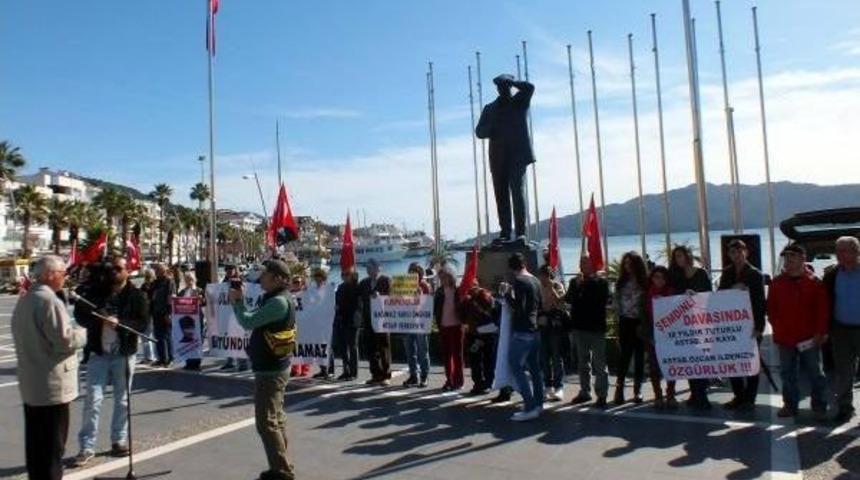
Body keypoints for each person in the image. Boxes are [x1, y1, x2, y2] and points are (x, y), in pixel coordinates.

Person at [12, 255, 87, 480]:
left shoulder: (25, 299)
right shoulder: (49, 301)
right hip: (52, 385)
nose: (65, 278)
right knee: (53, 448)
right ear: (50, 275)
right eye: (63, 273)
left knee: (36, 446)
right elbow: (65, 341)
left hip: (31, 382)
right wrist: (83, 333)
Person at [73, 256, 149, 467]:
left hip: (124, 354)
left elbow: (142, 323)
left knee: (123, 400)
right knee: (93, 400)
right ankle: (86, 446)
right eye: (111, 268)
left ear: (128, 271)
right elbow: (80, 315)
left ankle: (119, 440)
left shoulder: (136, 295)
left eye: (118, 268)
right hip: (99, 353)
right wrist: (97, 318)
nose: (114, 272)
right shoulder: (97, 291)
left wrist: (120, 322)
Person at [229, 259, 297, 480]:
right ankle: (281, 465)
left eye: (265, 275)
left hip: (271, 370)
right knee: (276, 419)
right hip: (273, 367)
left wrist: (237, 302)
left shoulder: (278, 302)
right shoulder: (277, 298)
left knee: (266, 423)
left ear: (277, 278)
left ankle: (282, 471)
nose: (261, 279)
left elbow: (248, 321)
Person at [768, 244, 830, 420]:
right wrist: (777, 326)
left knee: (815, 373)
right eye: (786, 257)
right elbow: (771, 309)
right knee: (787, 373)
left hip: (809, 337)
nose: (788, 260)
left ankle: (819, 406)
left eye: (792, 256)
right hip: (785, 337)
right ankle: (790, 405)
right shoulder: (777, 283)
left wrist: (821, 332)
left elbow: (822, 310)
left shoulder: (815, 282)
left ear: (803, 258)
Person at [475, 74, 535, 245]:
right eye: (501, 87)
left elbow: (530, 88)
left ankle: (521, 233)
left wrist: (514, 82)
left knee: (517, 193)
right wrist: (492, 127)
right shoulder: (489, 108)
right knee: (501, 195)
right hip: (498, 158)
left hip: (517, 156)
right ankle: (505, 232)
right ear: (497, 89)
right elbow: (479, 132)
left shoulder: (519, 102)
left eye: (506, 86)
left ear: (510, 87)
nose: (503, 89)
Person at [718, 239, 766, 412]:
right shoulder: (727, 272)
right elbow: (719, 296)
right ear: (729, 254)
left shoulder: (755, 274)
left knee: (751, 361)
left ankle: (750, 398)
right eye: (733, 252)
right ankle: (739, 396)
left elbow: (760, 303)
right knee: (732, 360)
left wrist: (759, 327)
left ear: (746, 252)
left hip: (750, 324)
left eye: (739, 251)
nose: (737, 255)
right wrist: (733, 289)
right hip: (732, 324)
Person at [667, 245, 713, 411]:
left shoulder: (701, 273)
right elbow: (671, 298)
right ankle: (695, 393)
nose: (678, 259)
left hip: (700, 321)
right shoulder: (675, 276)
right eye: (676, 257)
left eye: (680, 255)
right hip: (683, 323)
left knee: (701, 359)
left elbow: (710, 295)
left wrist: (696, 296)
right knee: (689, 359)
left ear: (687, 256)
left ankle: (702, 395)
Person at [502, 253, 544, 421]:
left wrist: (506, 294)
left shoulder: (519, 281)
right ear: (524, 263)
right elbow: (539, 305)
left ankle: (530, 406)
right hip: (535, 330)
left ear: (511, 267)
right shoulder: (535, 280)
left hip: (522, 330)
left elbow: (519, 307)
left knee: (515, 365)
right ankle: (539, 403)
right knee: (535, 368)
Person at [566, 255, 610, 408]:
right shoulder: (574, 282)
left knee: (599, 363)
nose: (582, 265)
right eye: (581, 262)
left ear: (592, 264)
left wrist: (587, 283)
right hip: (579, 327)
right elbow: (568, 299)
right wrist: (578, 286)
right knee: (582, 363)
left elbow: (601, 299)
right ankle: (585, 391)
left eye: (585, 262)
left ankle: (602, 394)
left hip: (596, 328)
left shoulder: (601, 282)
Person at [824, 236, 860, 422]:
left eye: (844, 251)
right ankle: (845, 407)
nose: (839, 255)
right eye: (837, 251)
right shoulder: (831, 274)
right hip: (840, 331)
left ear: (856, 251)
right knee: (843, 372)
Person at [613, 251, 649, 405]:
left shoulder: (644, 282)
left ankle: (637, 390)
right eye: (626, 263)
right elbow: (616, 303)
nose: (628, 266)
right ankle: (619, 389)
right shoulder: (621, 282)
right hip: (625, 321)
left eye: (631, 263)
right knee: (624, 357)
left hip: (640, 322)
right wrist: (616, 323)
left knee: (639, 357)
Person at [644, 266, 677, 409]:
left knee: (671, 365)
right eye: (656, 277)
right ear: (652, 278)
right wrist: (649, 335)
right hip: (653, 335)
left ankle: (671, 395)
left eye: (663, 277)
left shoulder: (672, 293)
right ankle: (658, 395)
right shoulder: (646, 295)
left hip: (670, 336)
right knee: (654, 367)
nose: (659, 280)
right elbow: (643, 317)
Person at [461, 278, 500, 396]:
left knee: (487, 360)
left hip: (486, 333)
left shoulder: (484, 296)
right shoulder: (467, 300)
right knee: (476, 361)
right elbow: (463, 316)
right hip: (475, 333)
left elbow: (492, 314)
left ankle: (487, 384)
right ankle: (478, 384)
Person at [537, 264, 568, 402]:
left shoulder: (557, 285)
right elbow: (537, 305)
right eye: (541, 276)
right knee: (544, 358)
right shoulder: (538, 287)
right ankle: (547, 385)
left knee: (556, 357)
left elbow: (560, 303)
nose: (542, 279)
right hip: (542, 325)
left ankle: (559, 387)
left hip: (555, 325)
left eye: (544, 276)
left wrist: (551, 288)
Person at [359, 258, 392, 385]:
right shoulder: (364, 283)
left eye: (370, 267)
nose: (368, 270)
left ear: (378, 268)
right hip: (368, 319)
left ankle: (386, 375)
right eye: (367, 268)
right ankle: (375, 374)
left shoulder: (386, 280)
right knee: (371, 348)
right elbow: (358, 297)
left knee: (384, 347)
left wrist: (381, 296)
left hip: (382, 318)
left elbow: (393, 298)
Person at [434, 266, 465, 391]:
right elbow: (434, 307)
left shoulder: (458, 290)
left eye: (444, 277)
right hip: (443, 326)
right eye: (441, 278)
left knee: (457, 355)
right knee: (446, 355)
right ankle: (449, 380)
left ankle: (458, 381)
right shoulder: (439, 291)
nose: (442, 280)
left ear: (451, 277)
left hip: (456, 326)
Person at [402, 262, 432, 388]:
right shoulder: (405, 285)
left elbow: (427, 304)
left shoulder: (424, 285)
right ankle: (413, 376)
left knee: (422, 351)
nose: (412, 273)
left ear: (420, 273)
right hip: (408, 321)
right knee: (410, 351)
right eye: (410, 271)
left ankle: (424, 376)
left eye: (415, 271)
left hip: (420, 323)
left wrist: (420, 296)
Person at [220, 265, 250, 372]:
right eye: (227, 270)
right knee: (229, 338)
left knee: (240, 338)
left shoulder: (242, 280)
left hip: (238, 312)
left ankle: (243, 363)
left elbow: (247, 292)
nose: (228, 272)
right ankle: (230, 361)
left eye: (230, 269)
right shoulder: (224, 281)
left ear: (235, 270)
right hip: (227, 313)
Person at [334, 267, 362, 381]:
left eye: (347, 274)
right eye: (343, 274)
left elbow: (359, 303)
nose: (344, 276)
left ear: (351, 275)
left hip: (353, 320)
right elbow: (337, 302)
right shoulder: (340, 287)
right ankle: (346, 371)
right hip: (342, 319)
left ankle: (353, 372)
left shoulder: (357, 287)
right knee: (343, 348)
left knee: (353, 347)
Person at [309, 268, 337, 380]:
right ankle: (322, 369)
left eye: (319, 276)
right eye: (316, 277)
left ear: (323, 278)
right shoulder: (312, 289)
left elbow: (332, 305)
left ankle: (330, 370)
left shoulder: (329, 289)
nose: (317, 279)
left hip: (325, 321)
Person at [178, 271, 205, 371]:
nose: (189, 281)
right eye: (187, 279)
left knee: (197, 340)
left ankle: (196, 362)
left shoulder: (199, 290)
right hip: (186, 319)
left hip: (197, 318)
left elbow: (204, 302)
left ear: (194, 280)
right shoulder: (182, 292)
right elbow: (177, 303)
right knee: (187, 340)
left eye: (190, 279)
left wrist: (201, 300)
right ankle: (188, 362)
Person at [150, 263, 175, 368]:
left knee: (167, 336)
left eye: (158, 270)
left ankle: (170, 358)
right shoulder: (155, 283)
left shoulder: (169, 282)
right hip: (156, 312)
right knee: (158, 336)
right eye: (155, 270)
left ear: (164, 271)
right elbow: (151, 296)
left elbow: (170, 298)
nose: (156, 272)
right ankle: (161, 358)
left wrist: (168, 313)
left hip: (165, 312)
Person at [138, 268, 158, 365]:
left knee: (149, 335)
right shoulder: (144, 286)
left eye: (148, 276)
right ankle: (148, 356)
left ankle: (151, 356)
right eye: (147, 276)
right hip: (146, 313)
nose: (147, 278)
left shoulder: (154, 285)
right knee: (145, 335)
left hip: (152, 312)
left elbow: (153, 299)